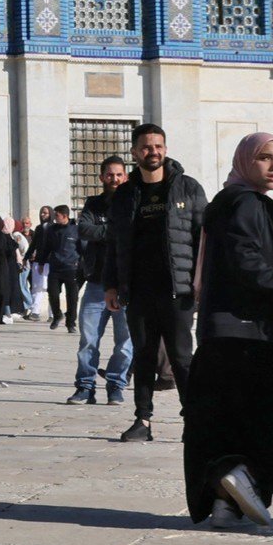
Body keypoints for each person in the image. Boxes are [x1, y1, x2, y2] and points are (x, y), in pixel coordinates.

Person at [183, 134, 273, 529]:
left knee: (229, 420)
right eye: (265, 158)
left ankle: (225, 502)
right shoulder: (250, 203)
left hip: (220, 330)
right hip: (250, 332)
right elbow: (244, 253)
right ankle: (250, 476)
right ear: (244, 161)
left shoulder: (225, 202)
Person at [93, 126, 202, 443]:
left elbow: (204, 240)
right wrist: (111, 285)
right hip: (138, 291)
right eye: (145, 147)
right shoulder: (126, 195)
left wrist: (202, 283)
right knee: (143, 355)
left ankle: (193, 419)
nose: (152, 151)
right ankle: (143, 420)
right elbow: (114, 243)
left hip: (177, 291)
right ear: (134, 153)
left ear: (165, 149)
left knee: (182, 358)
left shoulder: (188, 189)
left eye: (158, 146)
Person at [69, 159, 136, 403]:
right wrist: (116, 232)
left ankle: (116, 384)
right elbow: (84, 230)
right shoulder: (94, 204)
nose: (115, 179)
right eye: (110, 175)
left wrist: (106, 232)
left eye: (119, 175)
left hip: (127, 283)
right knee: (88, 339)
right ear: (101, 177)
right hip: (97, 283)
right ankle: (85, 386)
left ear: (126, 177)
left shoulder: (134, 202)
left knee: (125, 341)